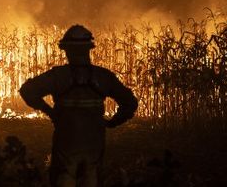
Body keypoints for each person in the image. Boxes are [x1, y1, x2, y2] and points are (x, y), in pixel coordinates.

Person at [19, 25, 138, 187]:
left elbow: (27, 90)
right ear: (89, 49)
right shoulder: (103, 77)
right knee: (91, 178)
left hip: (66, 139)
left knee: (64, 178)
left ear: (66, 50)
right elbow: (130, 102)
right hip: (94, 141)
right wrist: (111, 122)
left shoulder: (58, 76)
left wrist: (50, 112)